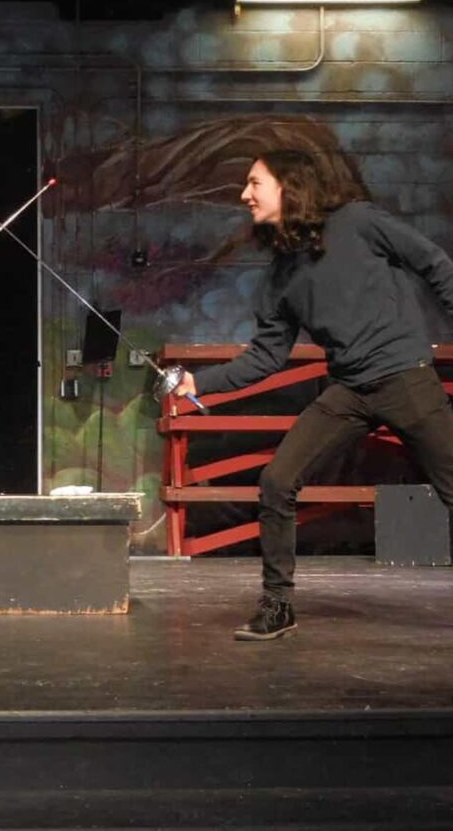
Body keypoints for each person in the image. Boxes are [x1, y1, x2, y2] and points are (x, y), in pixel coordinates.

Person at [176, 148, 453, 641]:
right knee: (277, 481)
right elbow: (266, 357)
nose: (244, 195)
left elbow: (434, 263)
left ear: (289, 185)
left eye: (254, 183)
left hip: (405, 378)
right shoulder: (280, 276)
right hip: (349, 390)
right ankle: (278, 606)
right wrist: (200, 383)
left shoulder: (357, 222)